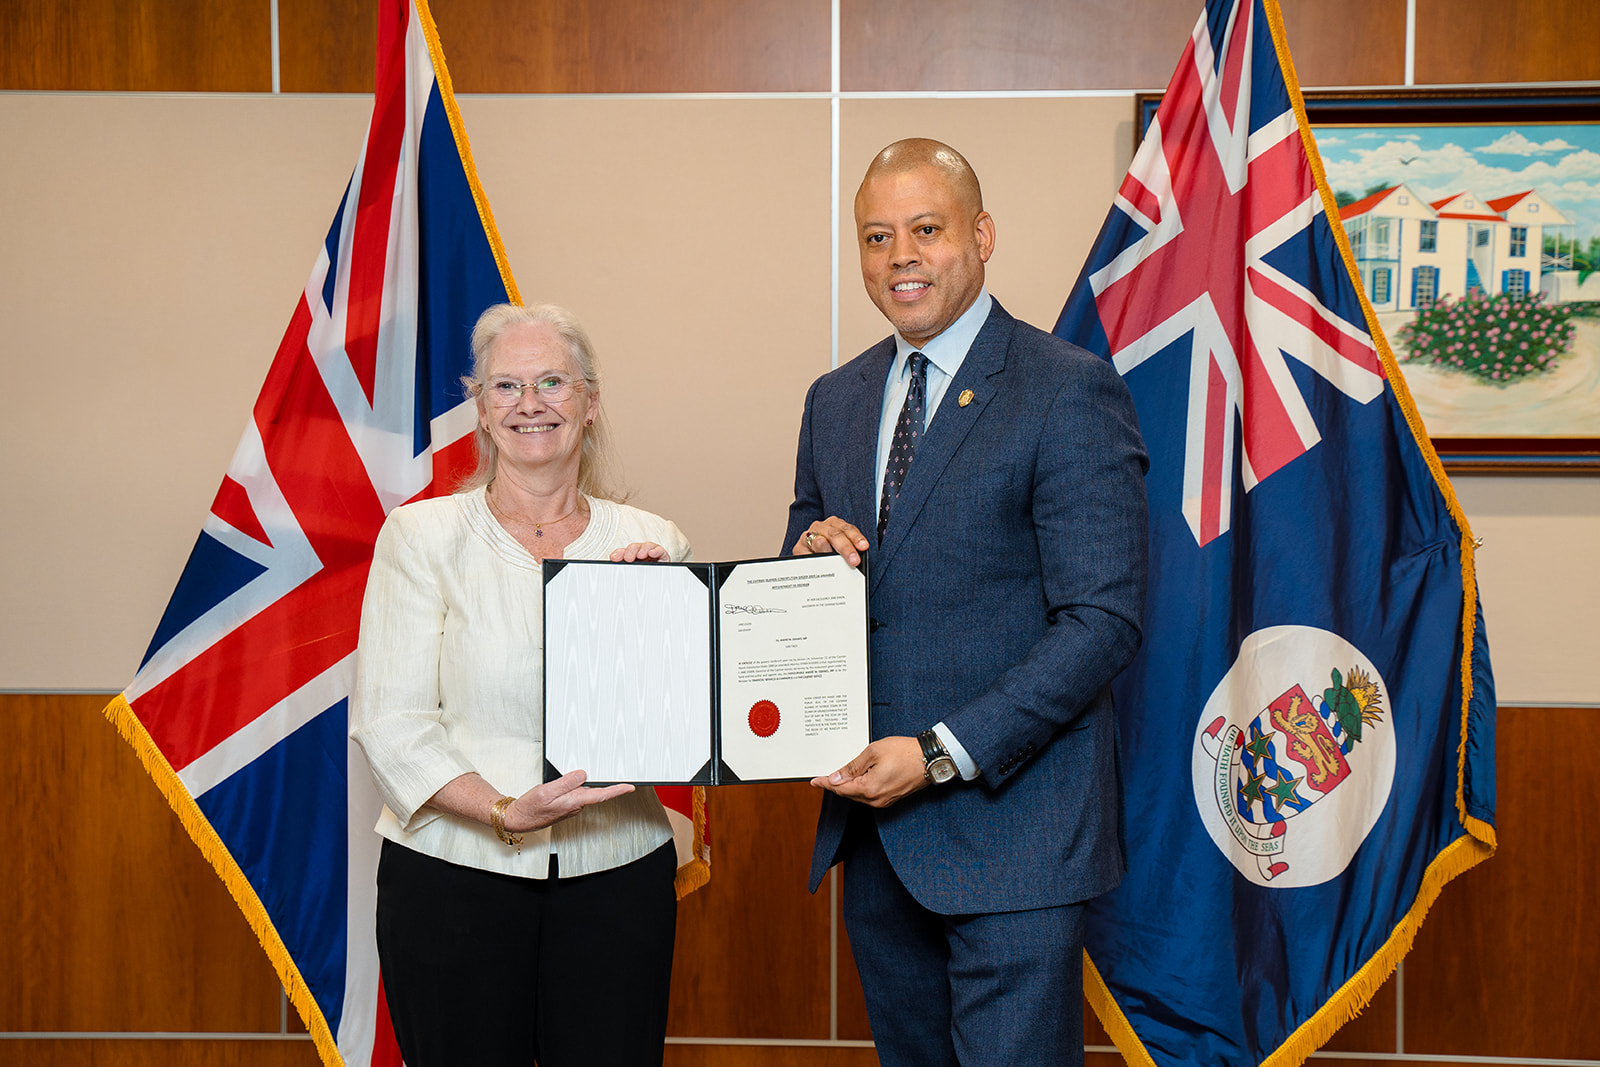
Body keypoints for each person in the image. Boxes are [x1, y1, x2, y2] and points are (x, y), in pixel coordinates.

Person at [784, 139, 1150, 1066]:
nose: (899, 254)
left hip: (1016, 834)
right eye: (877, 235)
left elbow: (1102, 621)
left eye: (926, 229)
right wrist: (807, 558)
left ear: (980, 236)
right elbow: (803, 557)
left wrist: (942, 755)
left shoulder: (1067, 388)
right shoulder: (835, 399)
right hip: (875, 833)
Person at [350, 302, 686, 1066]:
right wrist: (504, 809)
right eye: (505, 385)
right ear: (480, 407)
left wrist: (660, 621)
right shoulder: (419, 535)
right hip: (452, 881)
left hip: (617, 879)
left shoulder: (655, 543)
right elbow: (391, 723)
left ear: (590, 402)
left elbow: (684, 724)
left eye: (552, 382)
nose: (530, 404)